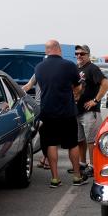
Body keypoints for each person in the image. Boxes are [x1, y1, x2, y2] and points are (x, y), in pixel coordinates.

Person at [34, 40, 86, 187]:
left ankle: (55, 179)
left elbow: (42, 86)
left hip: (48, 112)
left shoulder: (39, 67)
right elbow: (78, 87)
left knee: (51, 144)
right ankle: (77, 177)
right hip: (67, 112)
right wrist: (76, 93)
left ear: (47, 51)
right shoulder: (69, 65)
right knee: (72, 144)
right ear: (58, 49)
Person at [72, 45, 108, 176]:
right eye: (76, 53)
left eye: (82, 53)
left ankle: (93, 166)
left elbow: (105, 83)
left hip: (90, 112)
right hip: (77, 111)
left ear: (88, 55)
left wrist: (95, 100)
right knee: (80, 140)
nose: (79, 56)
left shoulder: (92, 68)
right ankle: (82, 164)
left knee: (91, 141)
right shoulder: (77, 69)